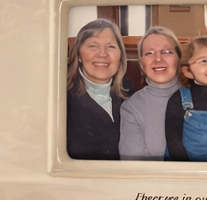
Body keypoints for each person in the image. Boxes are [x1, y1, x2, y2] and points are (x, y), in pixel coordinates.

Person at [65, 18, 127, 160]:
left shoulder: (131, 97)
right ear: (79, 55)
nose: (102, 54)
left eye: (111, 46)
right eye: (93, 46)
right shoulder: (61, 102)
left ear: (120, 55)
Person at [118, 26, 181, 160]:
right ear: (141, 64)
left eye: (166, 51)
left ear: (178, 58)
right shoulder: (131, 108)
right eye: (149, 53)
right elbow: (136, 166)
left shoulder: (203, 97)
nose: (158, 59)